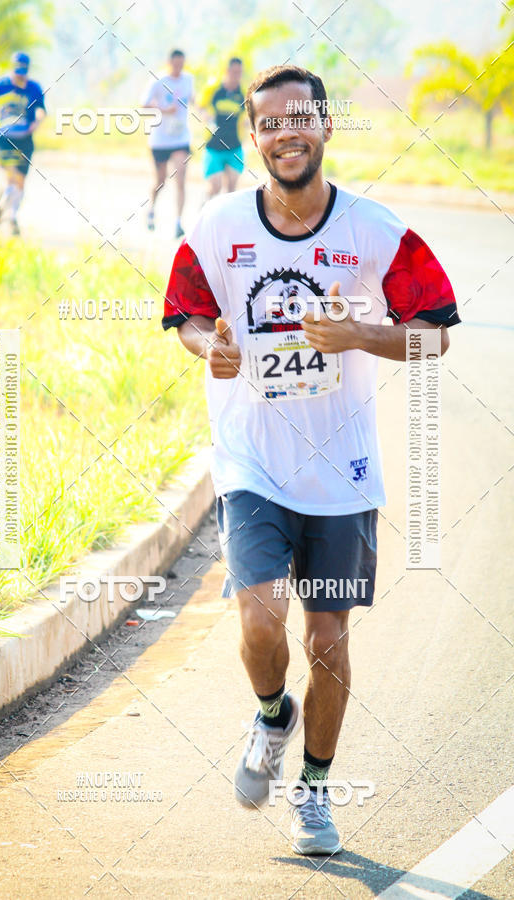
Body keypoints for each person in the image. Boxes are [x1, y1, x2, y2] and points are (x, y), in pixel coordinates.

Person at [162, 64, 460, 855]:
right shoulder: (218, 227)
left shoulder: (376, 231)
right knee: (260, 619)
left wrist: (363, 333)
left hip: (342, 475)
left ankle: (316, 794)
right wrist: (210, 348)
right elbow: (186, 317)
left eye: (301, 118)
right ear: (253, 136)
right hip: (252, 463)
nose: (286, 132)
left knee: (327, 642)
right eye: (270, 123)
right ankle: (270, 716)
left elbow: (435, 333)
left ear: (326, 126)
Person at [0, 52, 45, 235]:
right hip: (5, 138)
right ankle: (1, 214)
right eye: (17, 71)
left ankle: (11, 215)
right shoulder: (1, 86)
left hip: (25, 138)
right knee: (11, 177)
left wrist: (36, 124)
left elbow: (41, 111)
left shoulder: (34, 88)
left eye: (23, 72)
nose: (20, 75)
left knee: (20, 180)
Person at [142, 49, 194, 238]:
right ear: (169, 62)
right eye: (175, 64)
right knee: (160, 180)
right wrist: (164, 109)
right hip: (160, 139)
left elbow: (193, 99)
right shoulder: (158, 81)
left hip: (180, 138)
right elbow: (144, 104)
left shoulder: (189, 79)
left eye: (182, 64)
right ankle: (151, 209)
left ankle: (178, 222)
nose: (178, 68)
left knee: (180, 178)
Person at [201, 57, 245, 199]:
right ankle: (203, 208)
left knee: (231, 190)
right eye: (234, 72)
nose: (236, 76)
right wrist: (206, 115)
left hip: (234, 146)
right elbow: (200, 105)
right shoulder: (214, 89)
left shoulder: (243, 93)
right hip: (214, 145)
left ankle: (226, 220)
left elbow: (249, 116)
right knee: (215, 187)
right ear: (227, 71)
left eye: (239, 73)